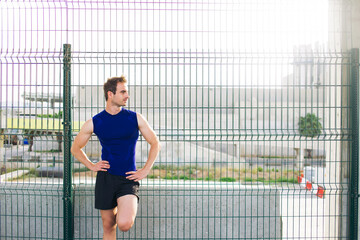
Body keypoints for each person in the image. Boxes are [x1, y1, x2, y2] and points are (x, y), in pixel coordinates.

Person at [71, 76, 160, 239]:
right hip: (105, 178)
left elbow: (155, 143)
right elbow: (75, 148)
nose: (127, 95)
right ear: (110, 94)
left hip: (128, 178)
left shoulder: (135, 118)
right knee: (108, 225)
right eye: (123, 92)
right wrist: (91, 165)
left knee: (124, 223)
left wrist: (145, 169)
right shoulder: (95, 121)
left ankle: (122, 203)